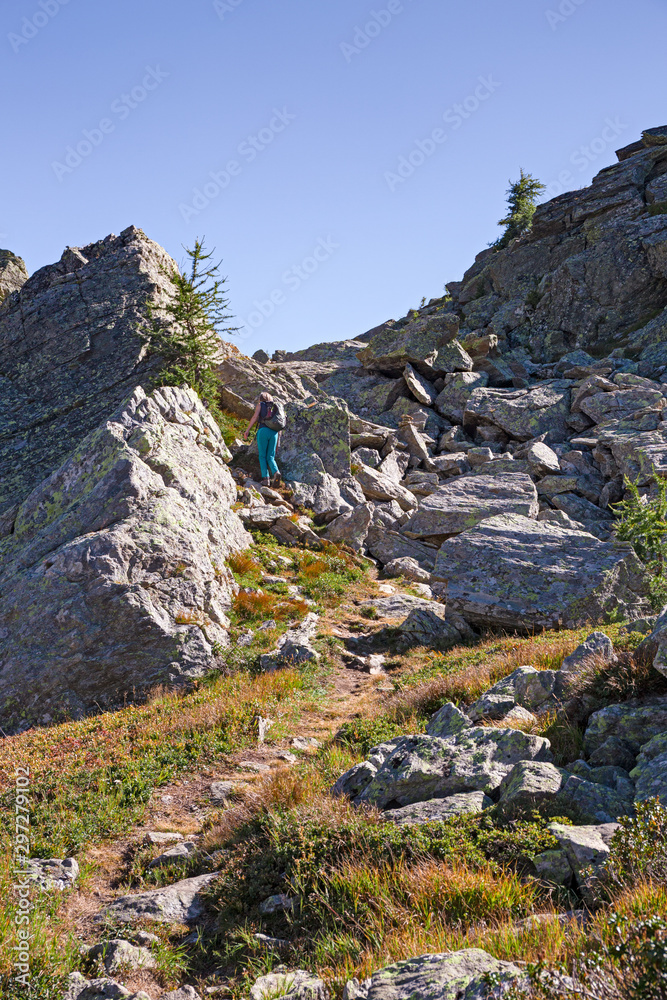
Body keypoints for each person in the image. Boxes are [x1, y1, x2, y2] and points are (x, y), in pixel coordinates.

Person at [244, 391, 282, 486]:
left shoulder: (261, 404)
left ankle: (266, 479)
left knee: (262, 456)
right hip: (274, 433)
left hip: (263, 431)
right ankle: (276, 472)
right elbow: (280, 425)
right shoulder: (275, 407)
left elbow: (254, 417)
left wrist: (247, 430)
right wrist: (278, 442)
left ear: (261, 398)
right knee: (271, 457)